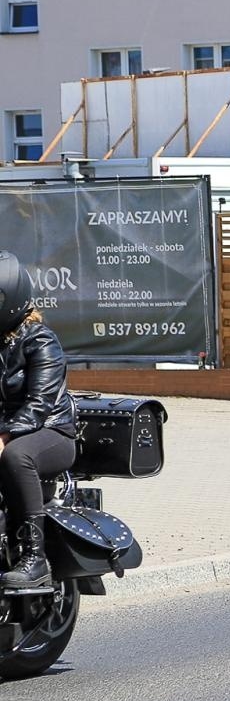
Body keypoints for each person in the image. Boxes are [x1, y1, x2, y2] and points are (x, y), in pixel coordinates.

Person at [0, 251, 77, 591]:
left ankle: (36, 558)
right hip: (9, 431)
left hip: (50, 432)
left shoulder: (40, 340)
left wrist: (4, 436)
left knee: (17, 456)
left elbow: (38, 404)